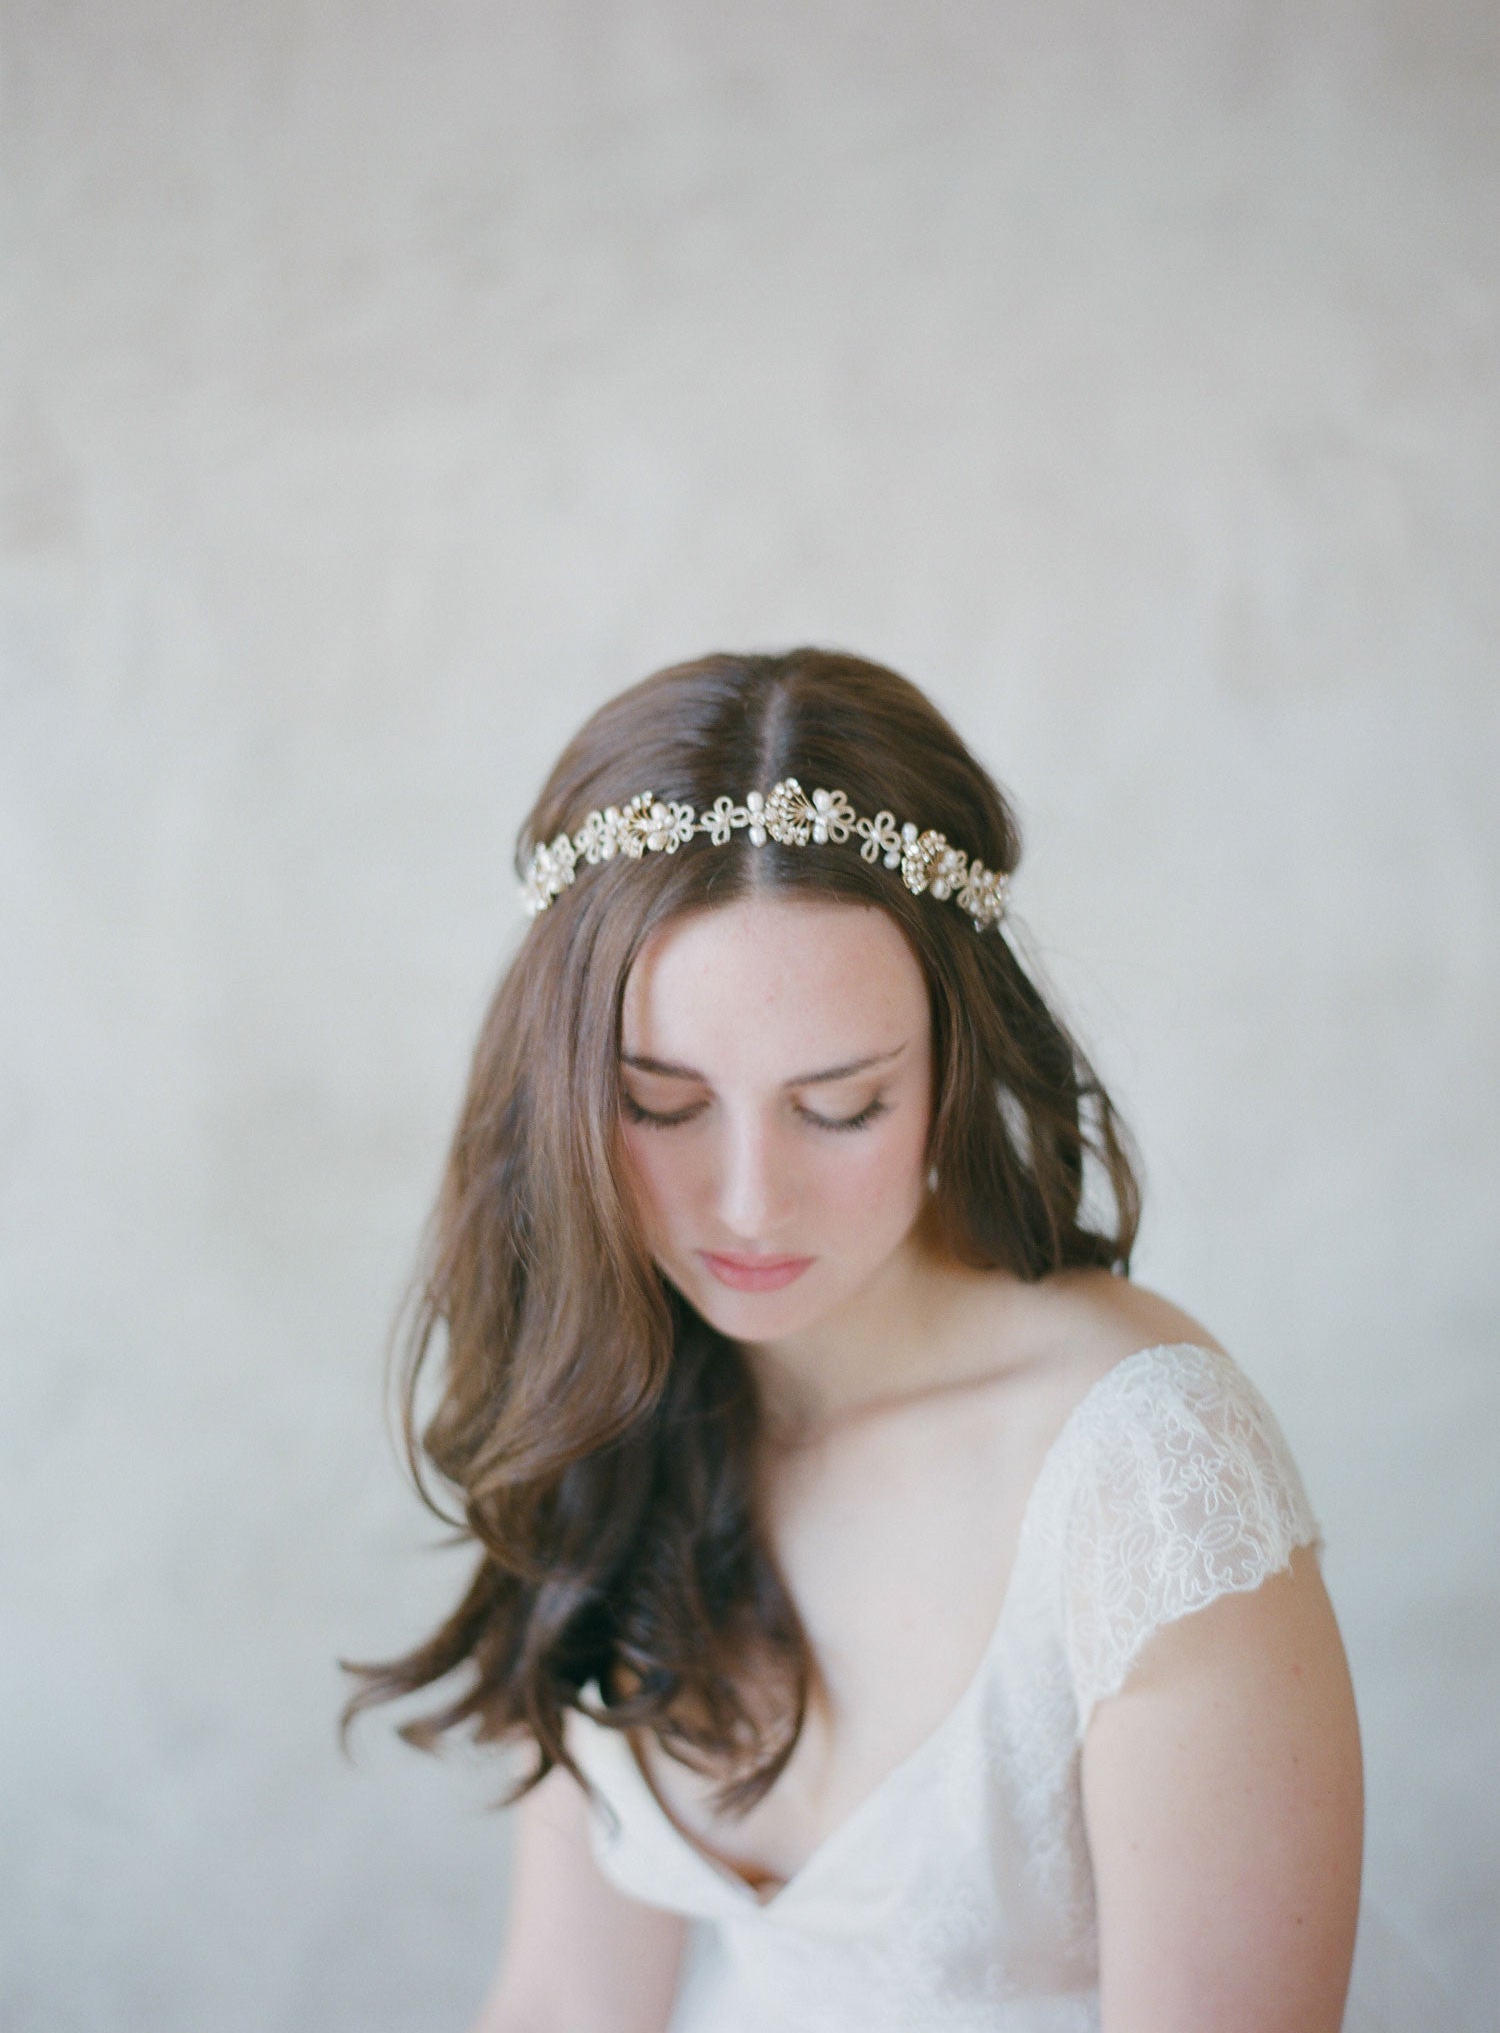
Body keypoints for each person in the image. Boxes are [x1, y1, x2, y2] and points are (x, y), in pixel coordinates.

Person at [342, 648, 1413, 2032]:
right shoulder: (615, 1394)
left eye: (839, 1107)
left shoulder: (1144, 1477)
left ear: (955, 1070)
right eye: (661, 1105)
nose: (746, 1204)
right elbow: (565, 1997)